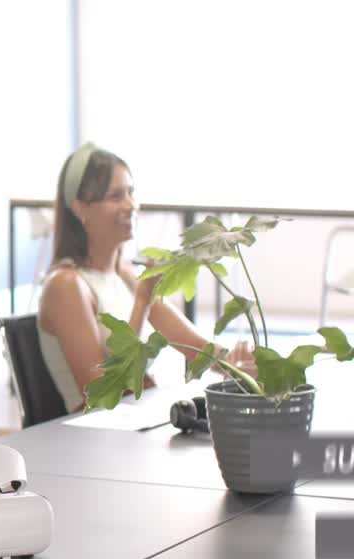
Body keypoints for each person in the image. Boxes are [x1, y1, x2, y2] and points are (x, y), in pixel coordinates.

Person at [37, 143, 254, 413]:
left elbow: (197, 348)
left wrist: (238, 365)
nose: (131, 205)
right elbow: (103, 394)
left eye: (131, 193)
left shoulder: (124, 274)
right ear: (80, 209)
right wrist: (142, 301)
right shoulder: (66, 286)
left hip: (134, 421)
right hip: (93, 432)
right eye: (116, 196)